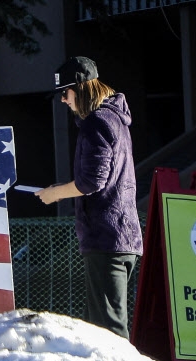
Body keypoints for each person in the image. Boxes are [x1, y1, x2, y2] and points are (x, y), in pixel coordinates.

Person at [35, 56, 143, 339]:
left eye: (64, 92)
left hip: (107, 239)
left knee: (109, 331)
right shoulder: (114, 119)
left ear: (81, 88)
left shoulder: (97, 121)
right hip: (121, 237)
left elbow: (92, 181)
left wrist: (55, 194)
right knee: (101, 329)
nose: (62, 100)